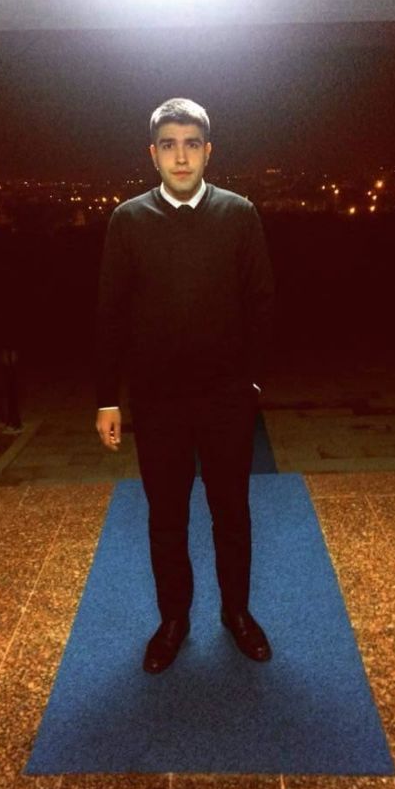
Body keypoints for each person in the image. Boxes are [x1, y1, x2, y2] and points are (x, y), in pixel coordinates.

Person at [94, 97, 276, 674]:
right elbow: (111, 315)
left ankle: (237, 613)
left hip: (226, 399)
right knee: (166, 518)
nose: (180, 156)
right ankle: (173, 620)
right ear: (153, 154)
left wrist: (252, 383)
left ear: (207, 151)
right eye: (169, 145)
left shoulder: (239, 213)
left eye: (191, 144)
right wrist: (107, 398)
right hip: (159, 402)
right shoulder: (128, 220)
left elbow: (261, 304)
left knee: (232, 514)